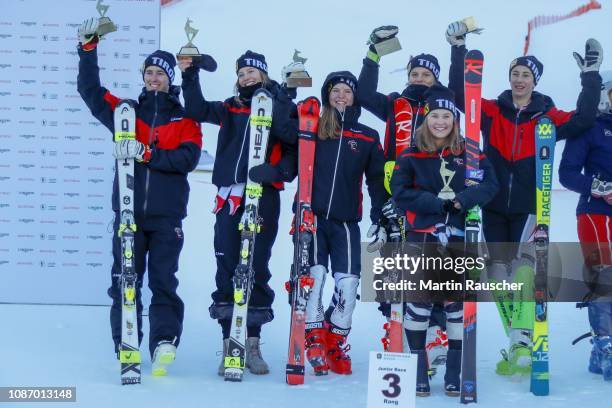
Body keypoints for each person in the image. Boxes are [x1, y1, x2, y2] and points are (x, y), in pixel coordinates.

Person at [446, 19, 603, 375]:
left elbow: (583, 120)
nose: (519, 79)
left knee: (523, 274)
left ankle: (521, 340)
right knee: (498, 275)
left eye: (525, 75)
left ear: (535, 81)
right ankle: (518, 343)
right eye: (515, 73)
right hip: (492, 205)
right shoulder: (492, 111)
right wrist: (458, 49)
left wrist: (590, 76)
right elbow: (462, 97)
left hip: (529, 207)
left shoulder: (547, 117)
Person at [76, 18, 203, 376]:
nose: (153, 77)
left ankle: (164, 342)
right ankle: (126, 344)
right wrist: (88, 50)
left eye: (160, 73)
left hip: (166, 218)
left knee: (163, 280)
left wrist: (146, 153)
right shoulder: (126, 112)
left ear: (169, 78)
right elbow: (90, 91)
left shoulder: (185, 119)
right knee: (124, 280)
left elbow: (186, 159)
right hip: (129, 216)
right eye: (149, 72)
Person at [178, 50, 297, 376]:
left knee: (256, 264)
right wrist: (190, 75)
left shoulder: (279, 103)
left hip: (264, 196)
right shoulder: (231, 107)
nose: (246, 78)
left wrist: (275, 172)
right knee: (229, 262)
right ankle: (232, 342)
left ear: (264, 75)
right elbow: (196, 109)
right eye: (242, 73)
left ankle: (253, 341)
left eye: (252, 73)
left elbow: (292, 144)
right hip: (230, 195)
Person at [388, 84, 498, 396]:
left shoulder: (469, 152)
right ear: (426, 119)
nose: (440, 121)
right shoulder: (411, 154)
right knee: (420, 306)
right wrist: (436, 204)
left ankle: (453, 372)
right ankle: (418, 371)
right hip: (423, 236)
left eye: (446, 116)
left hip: (458, 237)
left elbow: (491, 184)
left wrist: (463, 199)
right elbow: (400, 193)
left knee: (455, 306)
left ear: (455, 120)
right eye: (435, 115)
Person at [357, 25, 448, 369]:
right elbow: (364, 94)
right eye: (416, 72)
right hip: (394, 190)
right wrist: (373, 55)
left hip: (431, 191)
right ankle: (397, 328)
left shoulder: (444, 106)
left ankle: (435, 332)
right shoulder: (396, 102)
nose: (421, 78)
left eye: (427, 74)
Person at [302, 71, 387, 376]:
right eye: (335, 90)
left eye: (347, 92)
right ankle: (311, 335)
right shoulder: (311, 128)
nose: (341, 96)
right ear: (327, 95)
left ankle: (334, 339)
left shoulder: (366, 136)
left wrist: (380, 213)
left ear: (355, 97)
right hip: (311, 218)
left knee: (349, 285)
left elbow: (377, 180)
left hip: (346, 222)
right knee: (314, 277)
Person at [559, 71, 612, 381]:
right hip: (597, 212)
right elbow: (567, 174)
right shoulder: (592, 127)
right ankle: (605, 345)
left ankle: (599, 348)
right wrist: (598, 186)